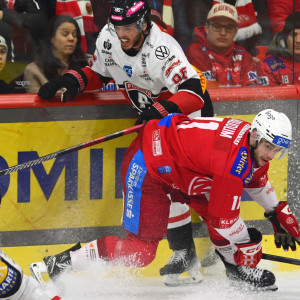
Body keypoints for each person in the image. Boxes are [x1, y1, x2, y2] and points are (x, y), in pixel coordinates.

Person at [35, 0, 213, 286]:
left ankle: (225, 252)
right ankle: (187, 251)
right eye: (117, 26)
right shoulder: (109, 37)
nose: (121, 33)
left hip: (186, 119)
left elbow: (195, 94)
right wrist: (72, 80)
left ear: (144, 24)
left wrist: (162, 110)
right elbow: (101, 72)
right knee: (167, 185)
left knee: (193, 190)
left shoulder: (162, 48)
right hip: (156, 125)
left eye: (128, 27)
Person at [30, 108, 300, 292]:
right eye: (269, 147)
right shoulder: (233, 163)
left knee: (215, 210)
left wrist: (276, 211)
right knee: (141, 252)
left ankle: (234, 267)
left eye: (278, 150)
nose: (272, 155)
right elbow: (224, 220)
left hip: (180, 170)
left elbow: (255, 179)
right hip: (147, 167)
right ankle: (60, 263)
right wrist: (246, 250)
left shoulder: (249, 142)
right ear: (254, 136)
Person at [185, 2, 262, 87]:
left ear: (236, 32)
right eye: (217, 26)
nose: (223, 33)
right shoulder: (195, 53)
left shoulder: (244, 55)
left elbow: (254, 91)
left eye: (229, 28)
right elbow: (208, 92)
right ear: (207, 28)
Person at [23, 14, 89, 93]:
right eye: (65, 34)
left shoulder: (88, 63)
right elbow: (37, 101)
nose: (71, 38)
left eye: (74, 35)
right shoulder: (35, 69)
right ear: (52, 38)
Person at [258, 12, 300, 86]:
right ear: (284, 38)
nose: (298, 40)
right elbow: (267, 95)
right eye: (293, 35)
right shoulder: (271, 64)